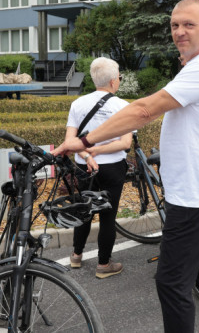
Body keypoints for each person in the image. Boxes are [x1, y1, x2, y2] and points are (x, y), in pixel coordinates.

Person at [54, 0, 199, 333]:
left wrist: (84, 141)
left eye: (189, 24)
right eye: (175, 25)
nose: (179, 32)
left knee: (171, 282)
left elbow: (143, 110)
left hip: (196, 197)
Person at [66, 57, 132, 279]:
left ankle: (76, 255)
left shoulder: (78, 104)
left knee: (84, 209)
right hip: (113, 167)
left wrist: (87, 154)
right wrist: (99, 150)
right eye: (119, 77)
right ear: (113, 81)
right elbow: (125, 143)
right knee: (107, 216)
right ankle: (103, 264)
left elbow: (70, 141)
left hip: (84, 167)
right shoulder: (123, 106)